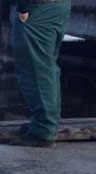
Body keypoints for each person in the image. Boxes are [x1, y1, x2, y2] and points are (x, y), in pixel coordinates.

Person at [10, 0, 71, 148]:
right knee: (47, 67)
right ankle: (46, 123)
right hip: (58, 6)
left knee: (35, 70)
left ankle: (43, 130)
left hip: (37, 9)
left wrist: (23, 8)